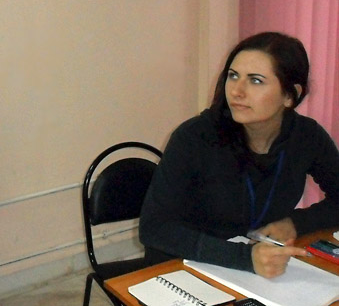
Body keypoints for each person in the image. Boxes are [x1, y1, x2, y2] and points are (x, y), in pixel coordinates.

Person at [139, 31, 339, 278]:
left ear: (290, 95)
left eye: (255, 81)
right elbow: (154, 228)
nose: (236, 91)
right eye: (233, 76)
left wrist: (294, 223)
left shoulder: (306, 136)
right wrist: (244, 258)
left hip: (256, 267)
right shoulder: (194, 137)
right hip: (183, 265)